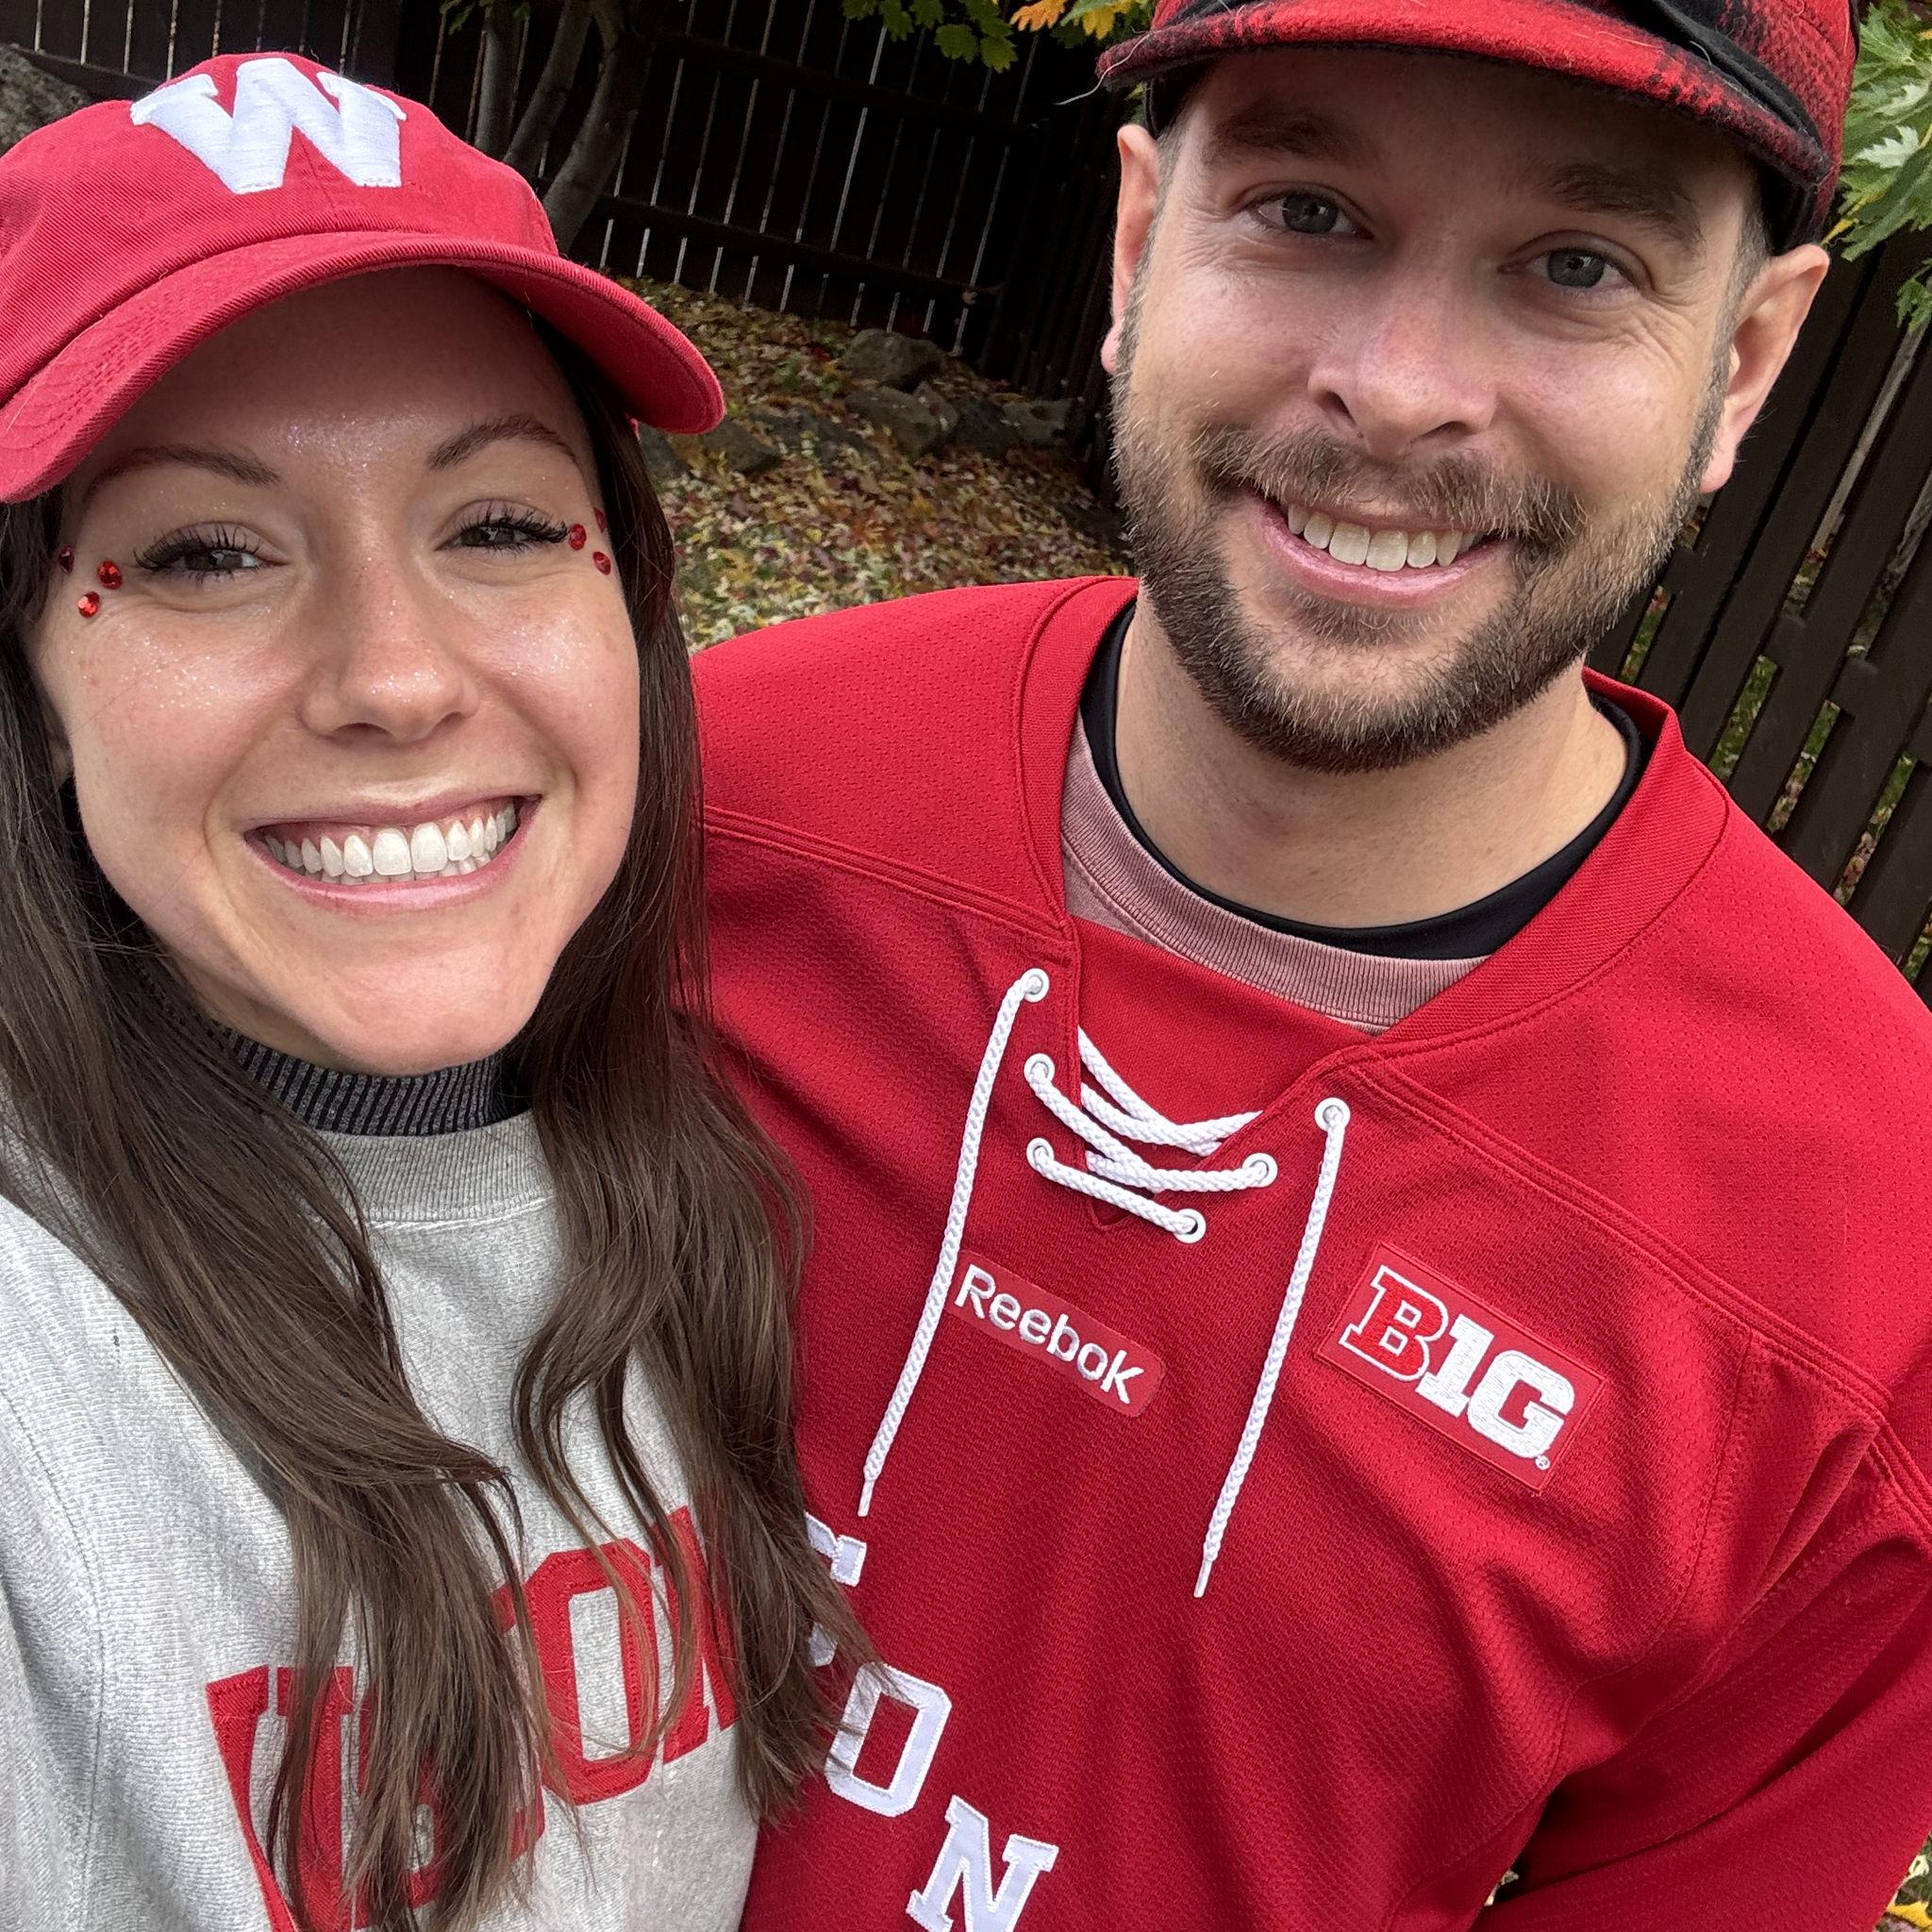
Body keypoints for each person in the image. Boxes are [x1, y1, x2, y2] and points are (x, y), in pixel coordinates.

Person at [695, 2, 1932, 1925]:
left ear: (1742, 365)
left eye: (1576, 265)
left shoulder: (1868, 1240)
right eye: (1302, 209)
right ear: (1134, 245)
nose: (1398, 384)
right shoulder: (696, 816)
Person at [0, 52, 859, 1932]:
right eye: (212, 551)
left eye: (490, 525)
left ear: (628, 601)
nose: (393, 675)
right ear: (32, 684)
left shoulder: (700, 1192)